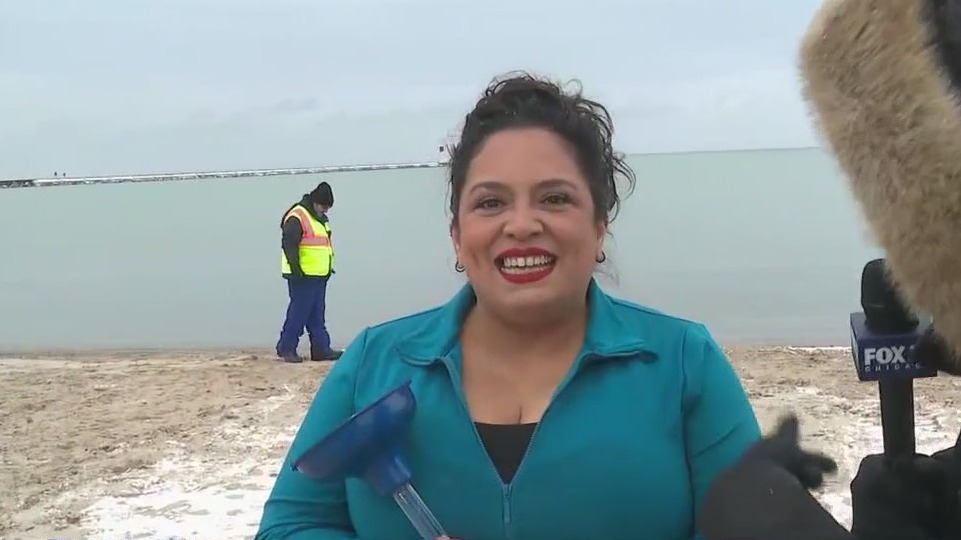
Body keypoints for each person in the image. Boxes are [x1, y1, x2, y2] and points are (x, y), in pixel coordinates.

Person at [254, 72, 761, 540]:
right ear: (457, 236)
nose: (521, 225)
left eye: (555, 199)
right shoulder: (374, 363)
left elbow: (752, 527)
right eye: (490, 202)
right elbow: (293, 524)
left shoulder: (682, 363)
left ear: (599, 227)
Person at [276, 181, 343, 363]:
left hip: (319, 275)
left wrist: (328, 269)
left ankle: (321, 349)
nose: (326, 210)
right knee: (299, 313)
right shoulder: (297, 216)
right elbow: (289, 244)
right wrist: (296, 270)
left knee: (317, 314)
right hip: (302, 276)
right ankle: (286, 348)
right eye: (323, 206)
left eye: (328, 207)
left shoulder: (320, 218)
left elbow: (323, 246)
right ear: (315, 201)